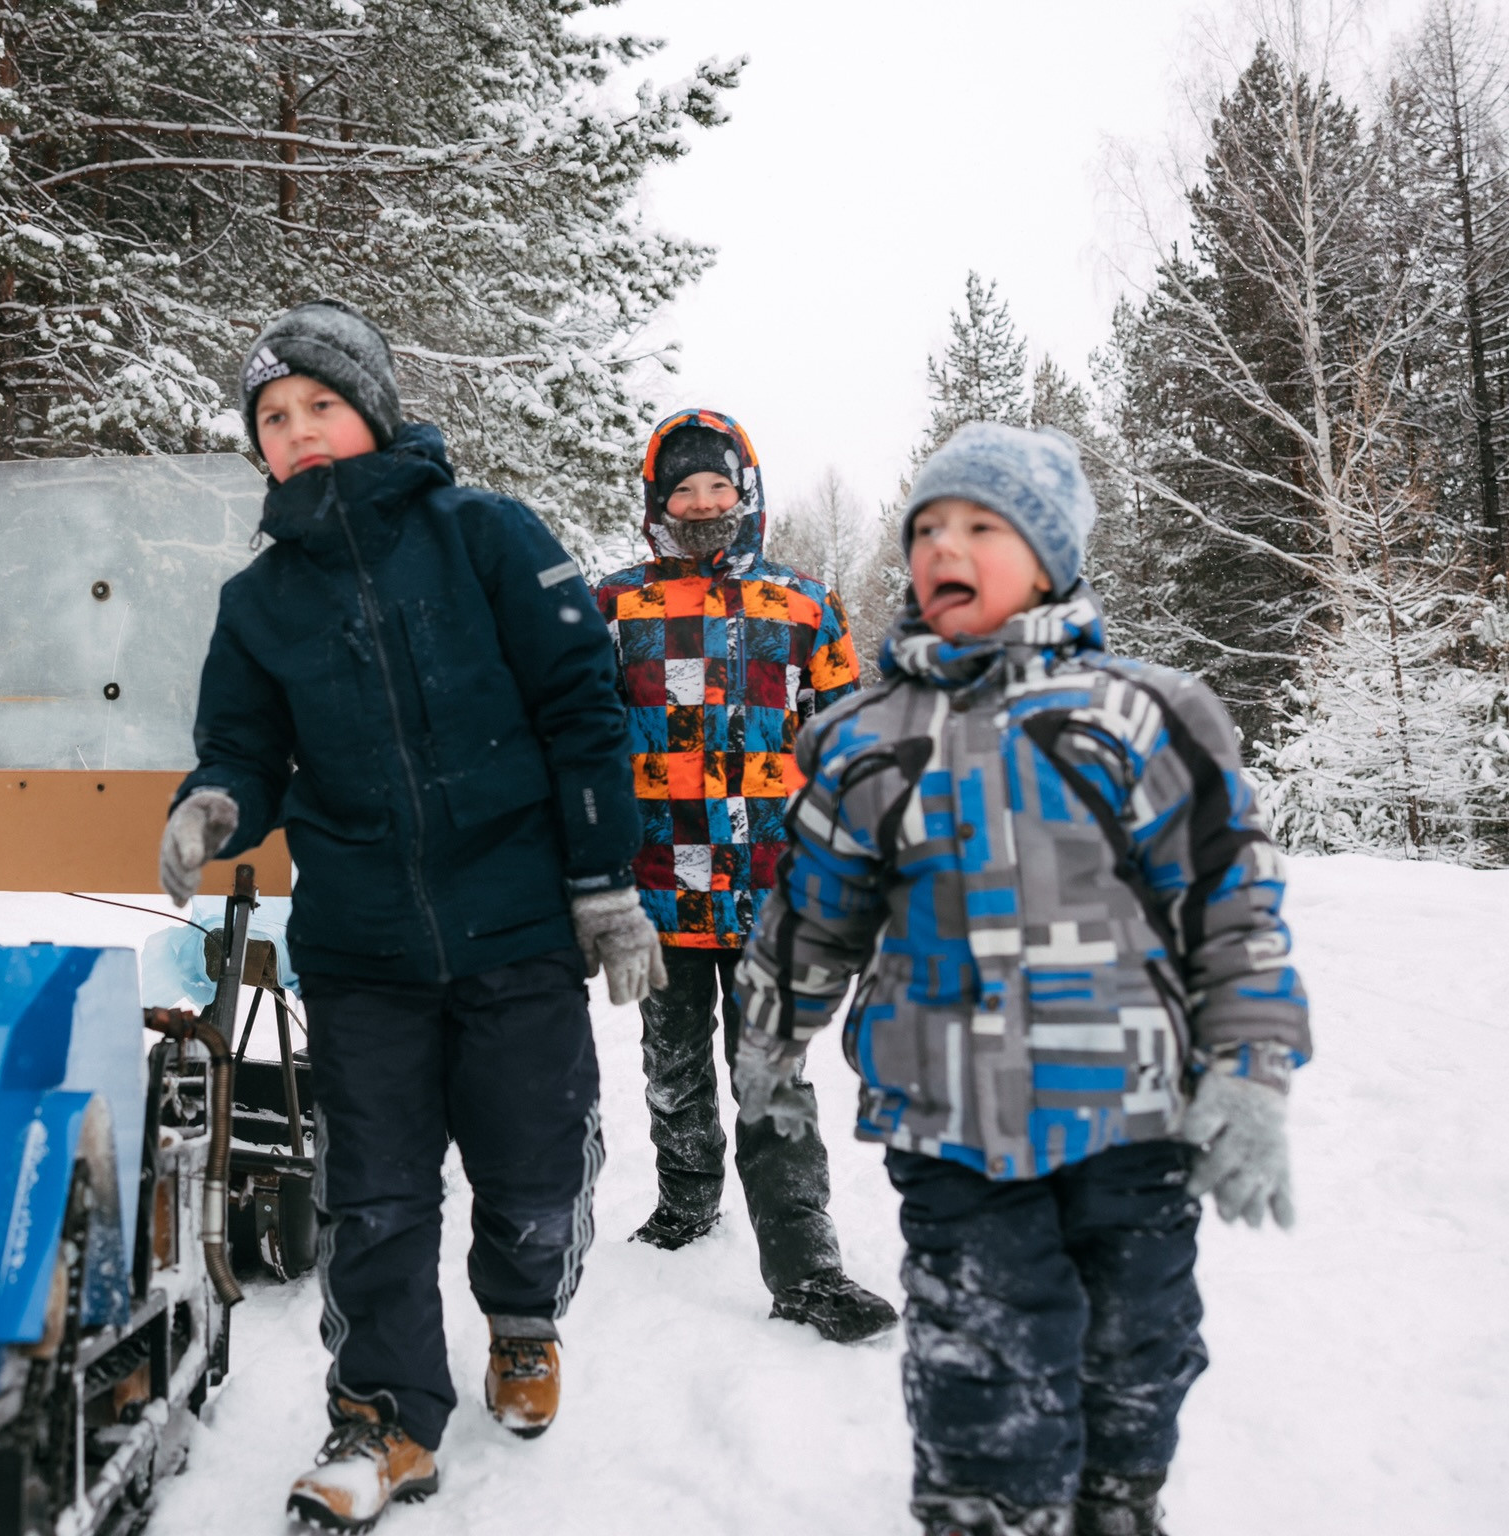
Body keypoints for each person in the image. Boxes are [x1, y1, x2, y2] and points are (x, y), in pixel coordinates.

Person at [727, 422, 1312, 1536]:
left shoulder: (1144, 716)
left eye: (980, 527)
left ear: (1049, 558)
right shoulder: (867, 739)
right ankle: (988, 1510)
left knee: (1138, 1344)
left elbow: (1233, 907)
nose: (944, 547)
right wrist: (769, 1039)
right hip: (951, 1123)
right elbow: (814, 914)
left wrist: (1251, 1068)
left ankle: (1117, 1500)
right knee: (982, 1354)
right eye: (927, 529)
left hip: (1133, 1117)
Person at [156, 300, 659, 1533]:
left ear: (375, 412)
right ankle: (384, 1417)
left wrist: (604, 881)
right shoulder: (259, 602)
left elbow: (583, 709)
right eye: (274, 417)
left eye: (321, 404)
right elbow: (242, 747)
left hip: (517, 925)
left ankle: (524, 1316)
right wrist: (215, 804)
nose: (297, 430)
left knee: (533, 1169)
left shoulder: (487, 535)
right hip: (362, 944)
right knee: (371, 1193)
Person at [590, 409, 898, 1345]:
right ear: (658, 500)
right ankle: (686, 1202)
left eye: (717, 486)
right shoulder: (614, 607)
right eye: (683, 489)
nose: (701, 503)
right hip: (657, 885)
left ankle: (807, 1268)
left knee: (773, 1077)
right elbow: (581, 744)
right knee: (673, 1067)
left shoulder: (803, 604)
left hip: (772, 887)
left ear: (745, 491)